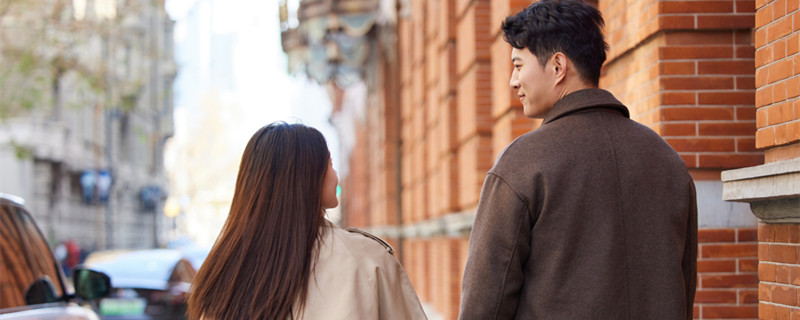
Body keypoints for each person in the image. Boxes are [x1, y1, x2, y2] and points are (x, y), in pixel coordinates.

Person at [458, 1, 697, 319]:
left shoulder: (523, 163)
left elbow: (485, 302)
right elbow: (684, 288)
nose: (513, 81)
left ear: (558, 66)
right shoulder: (667, 161)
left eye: (518, 65)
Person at [188, 122, 427, 320]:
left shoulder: (223, 272)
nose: (336, 175)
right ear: (309, 177)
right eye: (330, 165)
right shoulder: (365, 259)